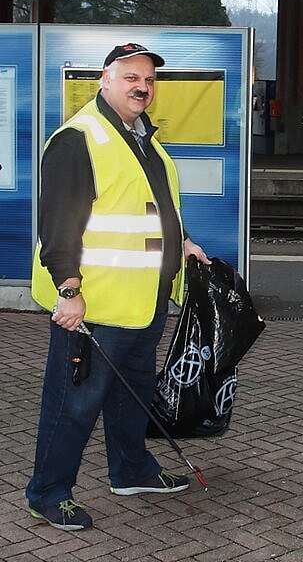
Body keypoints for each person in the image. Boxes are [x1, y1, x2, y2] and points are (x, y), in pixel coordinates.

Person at [26, 42, 211, 531]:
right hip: (96, 308)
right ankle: (47, 493)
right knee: (73, 404)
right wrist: (68, 291)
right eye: (131, 77)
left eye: (149, 79)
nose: (142, 87)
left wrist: (185, 243)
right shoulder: (78, 138)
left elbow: (156, 207)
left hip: (142, 302)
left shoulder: (141, 138)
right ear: (104, 80)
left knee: (132, 395)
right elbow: (58, 225)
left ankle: (131, 471)